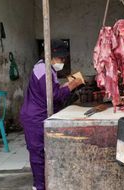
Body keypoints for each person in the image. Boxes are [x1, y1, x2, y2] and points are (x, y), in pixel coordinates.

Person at [20, 40, 83, 190]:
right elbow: (53, 96)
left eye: (64, 58)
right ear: (51, 56)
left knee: (45, 152)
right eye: (61, 58)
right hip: (34, 118)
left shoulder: (48, 69)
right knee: (38, 155)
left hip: (39, 115)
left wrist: (66, 87)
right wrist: (71, 86)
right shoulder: (42, 69)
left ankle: (46, 183)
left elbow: (51, 92)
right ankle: (39, 187)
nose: (63, 61)